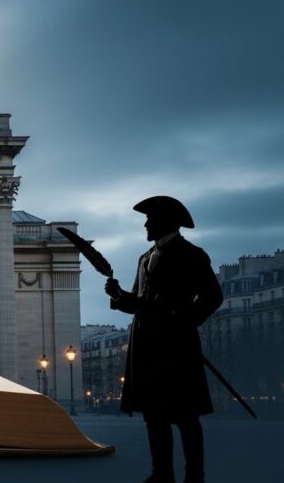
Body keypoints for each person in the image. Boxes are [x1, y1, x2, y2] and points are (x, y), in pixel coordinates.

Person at [104, 196, 223, 483]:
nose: (145, 224)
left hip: (176, 344)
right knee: (154, 414)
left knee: (184, 416)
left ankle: (194, 476)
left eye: (150, 219)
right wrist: (119, 296)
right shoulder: (145, 257)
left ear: (165, 222)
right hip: (147, 343)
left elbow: (213, 296)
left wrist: (184, 321)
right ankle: (162, 474)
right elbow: (138, 302)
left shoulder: (192, 254)